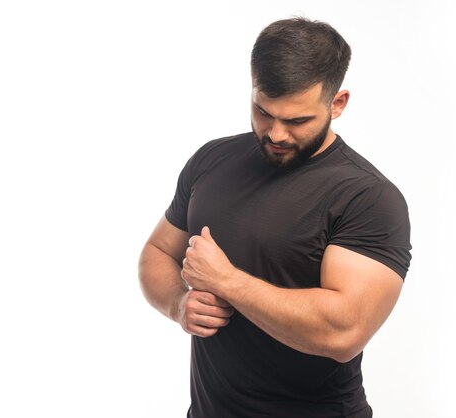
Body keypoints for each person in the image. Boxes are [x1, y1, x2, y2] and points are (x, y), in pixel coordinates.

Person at [138, 16, 411, 418]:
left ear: (338, 103)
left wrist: (226, 281)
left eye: (298, 121)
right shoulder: (212, 160)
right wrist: (179, 304)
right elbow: (158, 250)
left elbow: (344, 331)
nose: (277, 134)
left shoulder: (367, 196)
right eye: (264, 112)